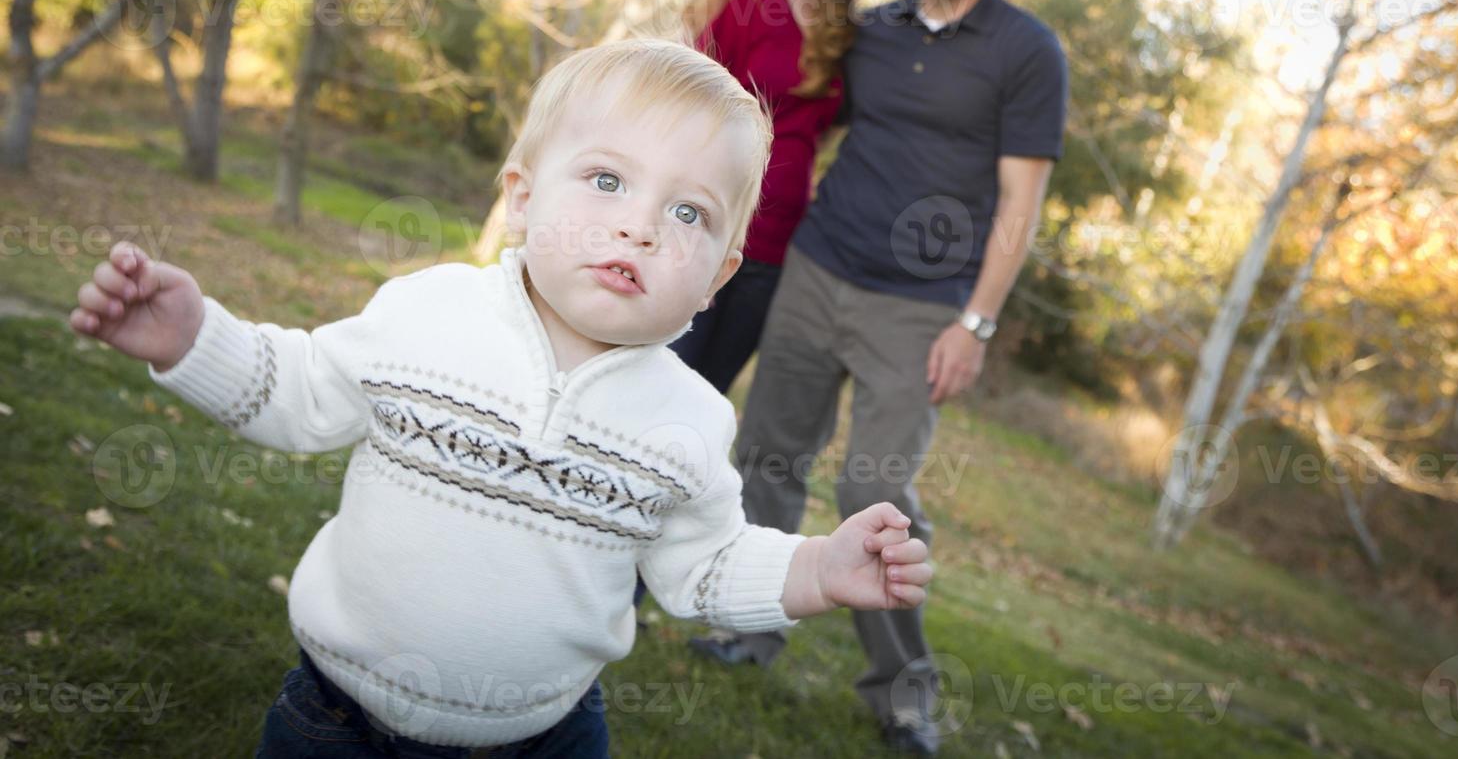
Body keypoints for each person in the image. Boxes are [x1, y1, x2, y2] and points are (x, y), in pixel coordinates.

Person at [69, 39, 935, 758]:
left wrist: (816, 568)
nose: (640, 225)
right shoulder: (428, 311)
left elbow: (701, 565)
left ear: (719, 277)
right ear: (521, 199)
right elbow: (296, 391)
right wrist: (194, 340)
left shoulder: (692, 419)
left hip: (541, 737)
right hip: (338, 720)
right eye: (607, 181)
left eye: (689, 215)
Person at [691, 0, 1069, 757]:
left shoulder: (1027, 51)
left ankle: (904, 696)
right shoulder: (872, 33)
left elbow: (1022, 203)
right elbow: (800, 121)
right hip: (818, 268)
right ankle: (752, 626)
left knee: (876, 492)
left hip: (921, 307)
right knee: (769, 456)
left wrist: (976, 323)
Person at [671, 0, 878, 393]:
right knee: (655, 387)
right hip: (707, 236)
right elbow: (682, 110)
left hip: (774, 253)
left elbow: (817, 129)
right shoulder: (742, 0)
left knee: (704, 404)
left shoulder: (842, 27)